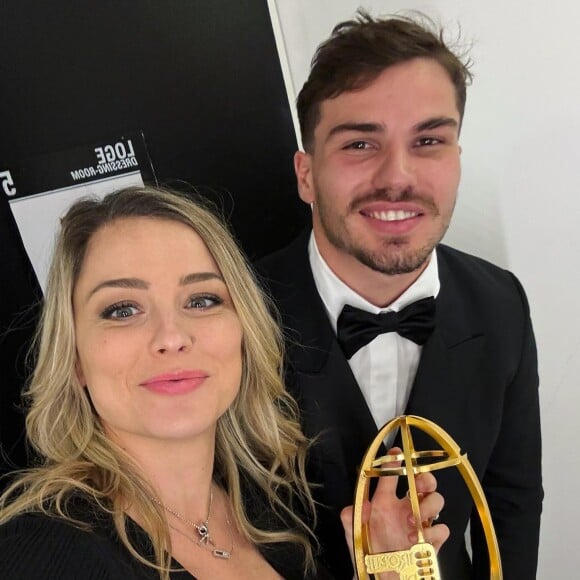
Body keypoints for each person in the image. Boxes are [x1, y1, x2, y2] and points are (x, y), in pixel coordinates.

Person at [0, 185, 446, 579]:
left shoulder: (276, 508)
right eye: (122, 310)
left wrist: (388, 575)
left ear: (243, 331)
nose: (172, 337)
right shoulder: (34, 552)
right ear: (75, 356)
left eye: (202, 299)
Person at [257, 10, 543, 580]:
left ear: (457, 159)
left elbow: (513, 500)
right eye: (361, 143)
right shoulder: (236, 312)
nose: (398, 177)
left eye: (429, 140)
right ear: (306, 174)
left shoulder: (501, 301)